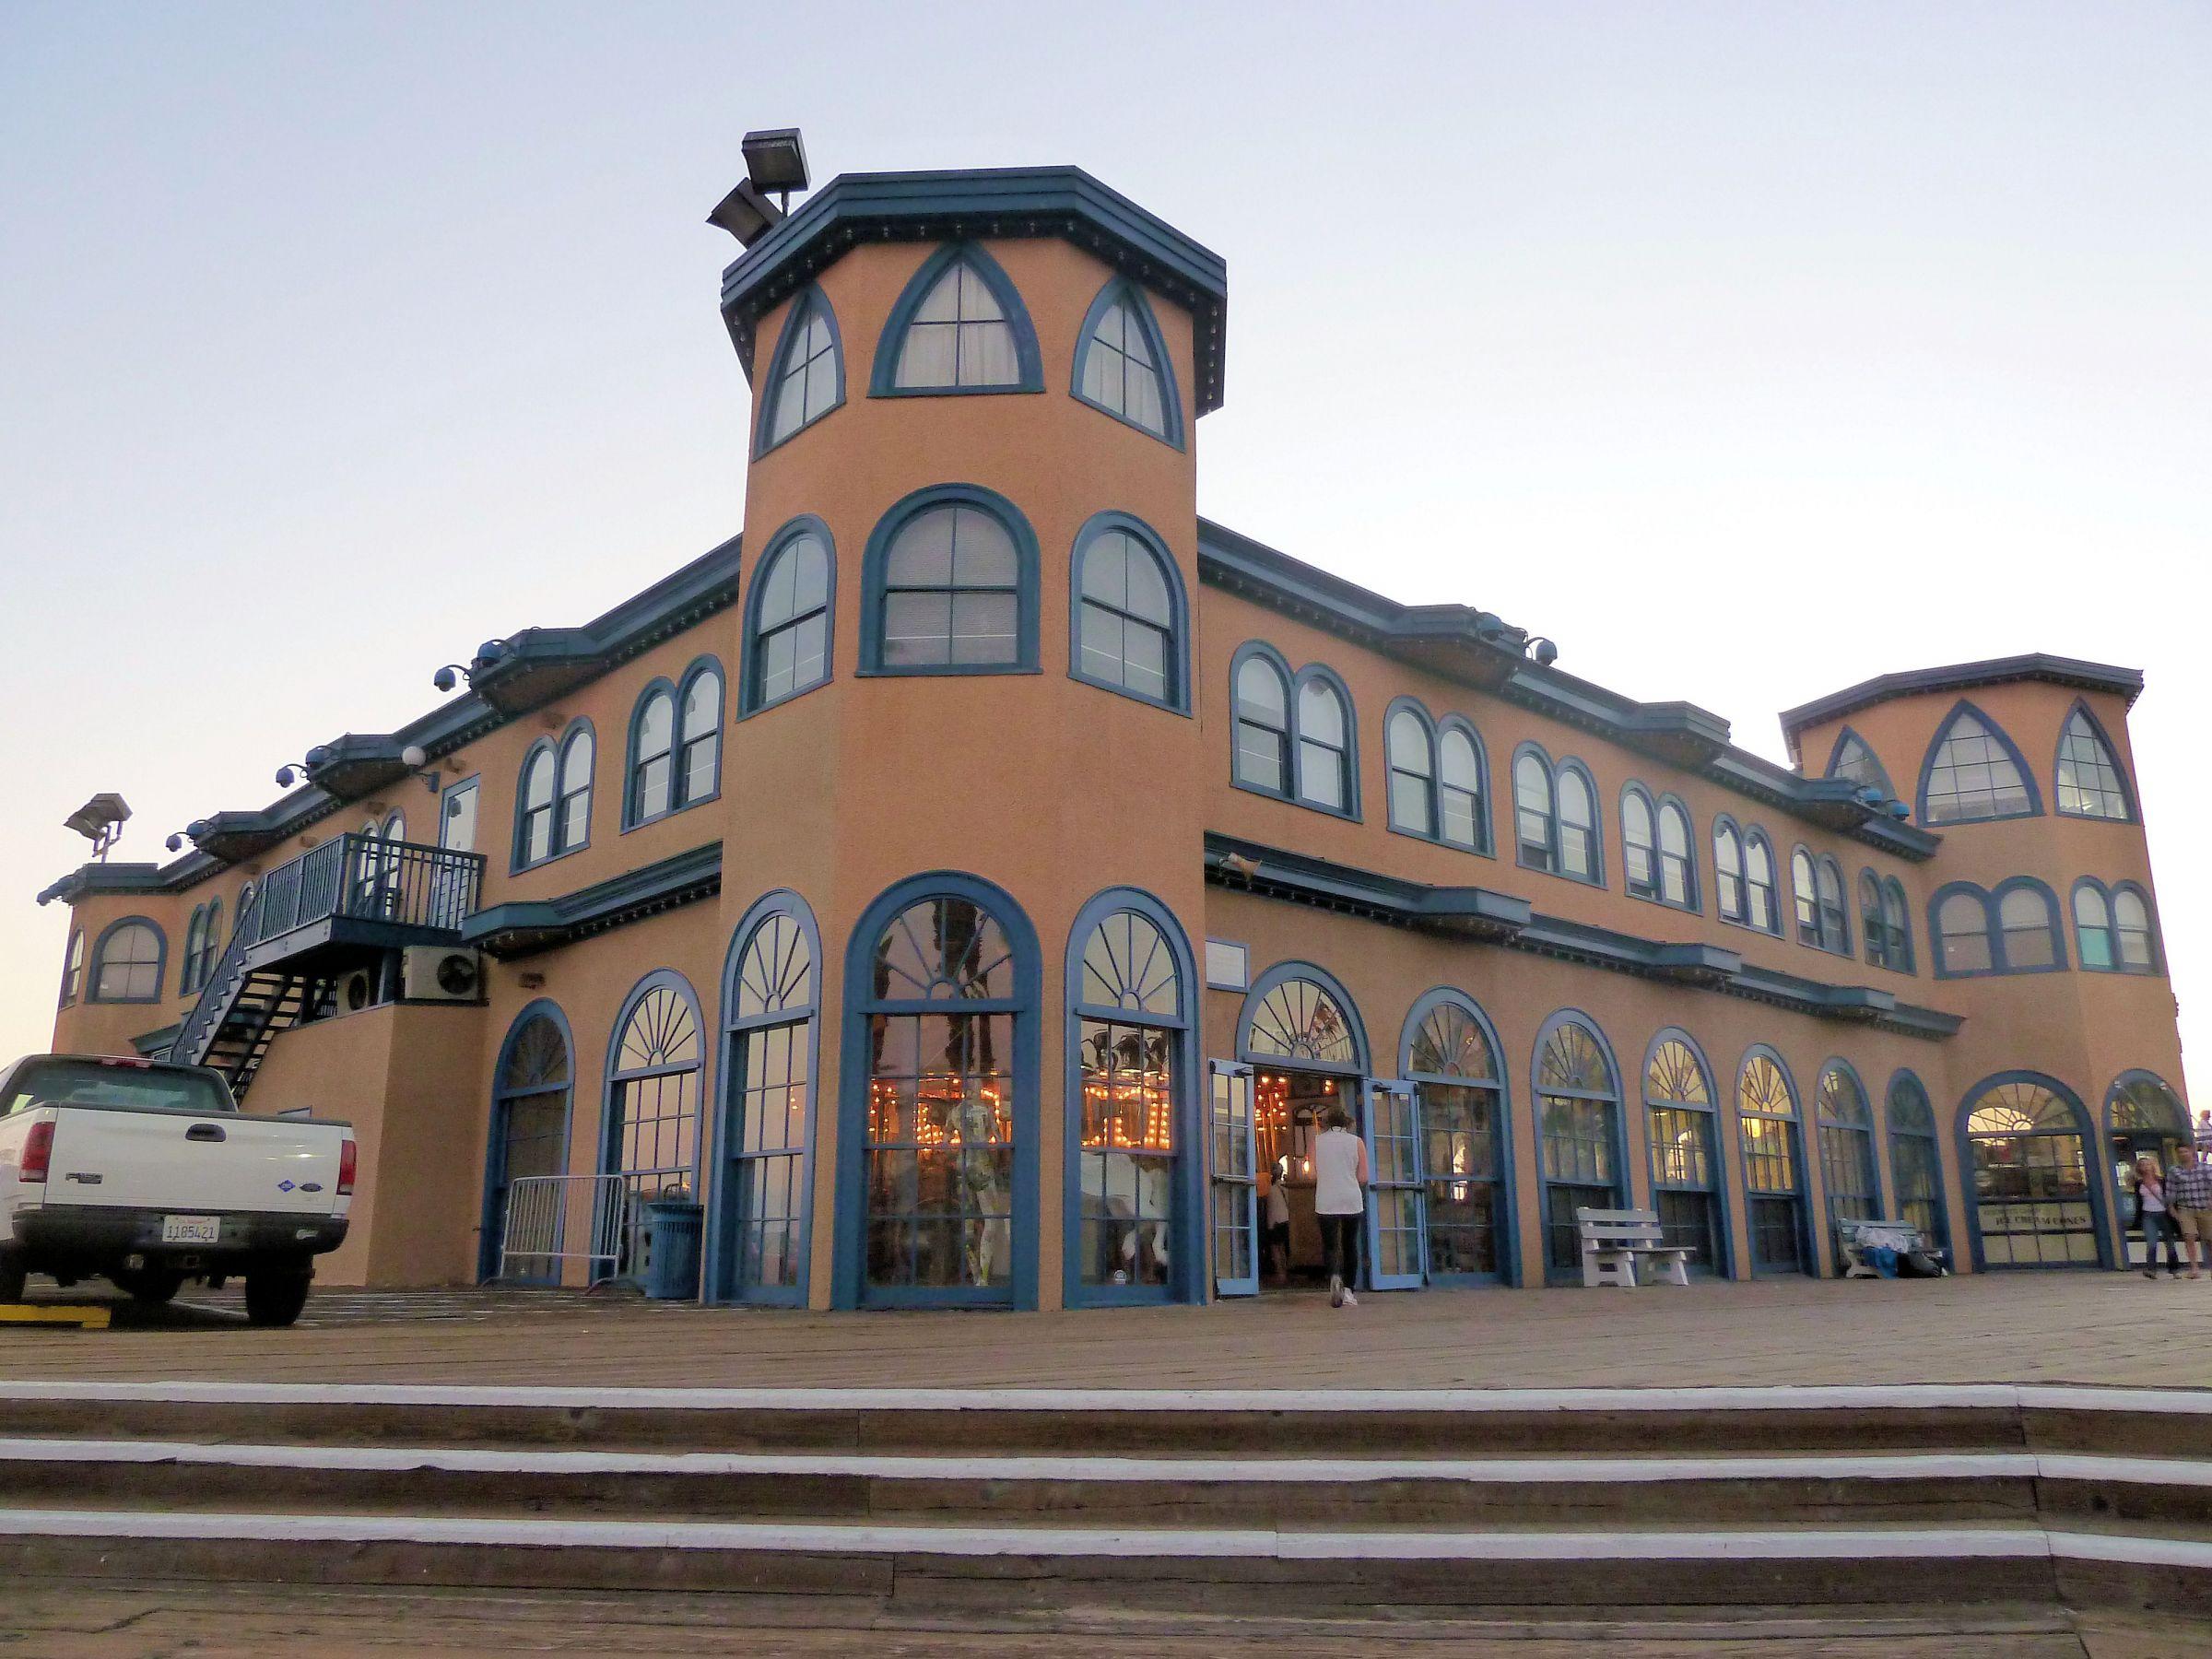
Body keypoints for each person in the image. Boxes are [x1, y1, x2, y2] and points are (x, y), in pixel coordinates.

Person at [1312, 1105, 1368, 1309]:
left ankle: (1335, 1275)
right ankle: (1349, 1290)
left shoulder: (1317, 1141)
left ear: (1326, 1123)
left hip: (1326, 1199)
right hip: (1351, 1198)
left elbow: (1312, 1174)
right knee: (1350, 1244)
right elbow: (1363, 1176)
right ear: (1347, 1123)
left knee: (1330, 1245)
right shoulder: (1357, 1142)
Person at [2165, 1143, 2212, 1281]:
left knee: (2210, 1239)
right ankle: (2194, 1268)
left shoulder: (2206, 1169)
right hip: (2185, 1208)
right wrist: (2171, 1208)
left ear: (2191, 1152)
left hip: (2205, 1207)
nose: (2183, 1154)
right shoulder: (2174, 1171)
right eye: (2180, 1152)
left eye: (2185, 1151)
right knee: (2189, 1237)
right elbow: (2170, 1191)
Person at [2135, 1155, 2183, 1280]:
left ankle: (2174, 1269)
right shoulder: (2139, 1183)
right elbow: (2138, 1201)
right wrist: (2137, 1218)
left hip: (2164, 1213)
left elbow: (2169, 1197)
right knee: (2151, 1242)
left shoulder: (2162, 1180)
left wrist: (2174, 1212)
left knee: (2169, 1242)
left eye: (2147, 1164)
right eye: (2142, 1165)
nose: (2145, 1167)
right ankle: (2151, 1269)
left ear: (2152, 1166)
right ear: (2139, 1168)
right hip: (2148, 1214)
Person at [1261, 1159, 1291, 1284]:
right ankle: (1285, 1272)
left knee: (1275, 1248)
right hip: (1285, 1219)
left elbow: (1268, 1206)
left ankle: (1280, 1274)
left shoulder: (1270, 1189)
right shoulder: (1286, 1187)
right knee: (1282, 1247)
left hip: (1274, 1222)